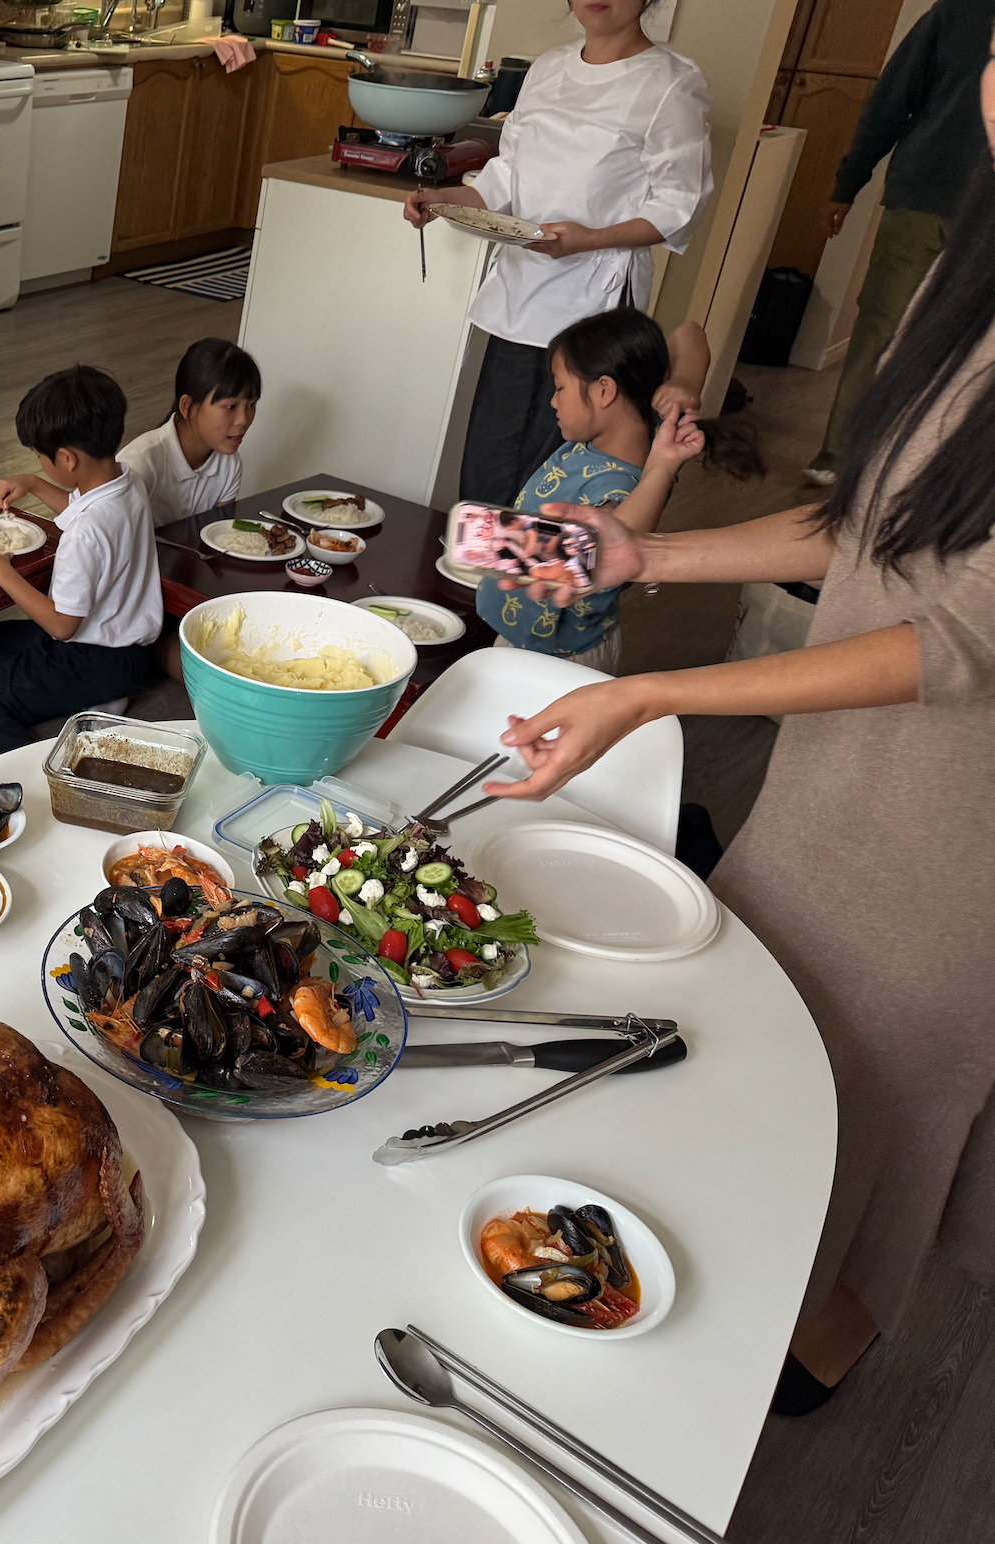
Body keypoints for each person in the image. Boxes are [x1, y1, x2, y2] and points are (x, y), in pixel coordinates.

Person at [480, 128, 995, 1417]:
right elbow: (863, 523)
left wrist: (648, 689)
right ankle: (739, 1315)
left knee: (877, 1102)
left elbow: (958, 639)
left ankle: (811, 1346)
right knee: (755, 1048)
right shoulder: (966, 273)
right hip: (833, 785)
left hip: (958, 839)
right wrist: (643, 558)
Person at [401, 0, 714, 508]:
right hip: (519, 301)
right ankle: (478, 559)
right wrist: (445, 200)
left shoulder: (670, 82)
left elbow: (680, 205)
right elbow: (505, 178)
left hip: (593, 310)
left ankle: (543, 562)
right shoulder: (548, 68)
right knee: (487, 469)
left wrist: (587, 239)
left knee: (554, 485)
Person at [803, 0, 993, 487]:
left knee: (971, 351)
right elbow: (891, 99)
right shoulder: (956, 11)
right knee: (881, 331)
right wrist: (847, 185)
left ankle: (923, 474)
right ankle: (838, 459)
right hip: (923, 201)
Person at [475, 307, 714, 672]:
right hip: (527, 635)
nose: (553, 401)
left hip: (560, 655)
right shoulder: (632, 432)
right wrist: (684, 384)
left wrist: (488, 543)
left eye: (560, 388)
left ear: (604, 391)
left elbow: (616, 541)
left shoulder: (619, 485)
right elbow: (690, 331)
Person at [0, 366, 161, 758]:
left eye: (40, 457)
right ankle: (101, 698)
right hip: (134, 654)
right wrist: (34, 482)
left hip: (89, 658)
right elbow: (82, 511)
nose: (39, 461)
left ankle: (49, 768)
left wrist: (2, 573)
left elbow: (62, 625)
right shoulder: (128, 482)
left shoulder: (84, 534)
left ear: (67, 458)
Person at [117, 338, 260, 529]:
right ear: (187, 406)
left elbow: (219, 534)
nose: (243, 419)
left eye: (252, 405)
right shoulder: (139, 465)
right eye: (230, 406)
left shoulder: (230, 465)